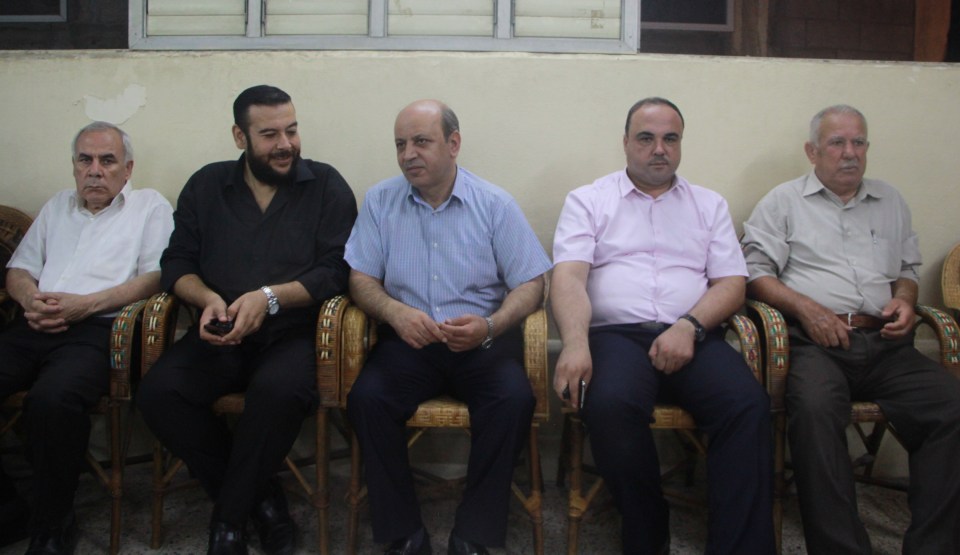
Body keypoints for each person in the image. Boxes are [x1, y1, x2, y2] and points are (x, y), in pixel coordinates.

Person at [135, 85, 357, 555]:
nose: (285, 144)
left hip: (294, 335)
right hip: (220, 331)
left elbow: (337, 271)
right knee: (159, 394)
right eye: (269, 134)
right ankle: (265, 500)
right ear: (240, 137)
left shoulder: (326, 186)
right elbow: (177, 262)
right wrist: (207, 299)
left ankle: (228, 522)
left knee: (278, 392)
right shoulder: (207, 185)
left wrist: (270, 298)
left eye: (291, 130)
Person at [551, 97, 774, 555]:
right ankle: (648, 532)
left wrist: (689, 326)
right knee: (610, 405)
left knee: (747, 406)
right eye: (646, 138)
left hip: (693, 333)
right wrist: (574, 343)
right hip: (616, 337)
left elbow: (732, 283)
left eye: (670, 138)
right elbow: (569, 277)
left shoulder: (708, 204)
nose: (659, 149)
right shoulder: (589, 200)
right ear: (625, 142)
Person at [743, 104, 960, 554]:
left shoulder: (890, 201)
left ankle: (933, 547)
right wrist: (808, 310)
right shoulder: (783, 202)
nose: (850, 153)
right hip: (815, 344)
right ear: (812, 151)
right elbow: (755, 274)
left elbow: (906, 269)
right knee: (815, 411)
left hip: (886, 343)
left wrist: (905, 300)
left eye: (858, 142)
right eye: (837, 143)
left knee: (953, 407)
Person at [345, 99, 551, 555]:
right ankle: (404, 534)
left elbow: (532, 284)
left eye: (421, 141)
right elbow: (360, 279)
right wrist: (395, 313)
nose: (408, 155)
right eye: (400, 144)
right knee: (367, 399)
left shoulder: (494, 204)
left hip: (481, 344)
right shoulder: (381, 201)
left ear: (453, 143)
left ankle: (473, 534)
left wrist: (492, 324)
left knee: (513, 399)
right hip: (408, 341)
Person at [0, 121, 173, 555]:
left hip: (100, 329)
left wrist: (87, 304)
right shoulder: (58, 206)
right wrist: (30, 300)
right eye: (85, 160)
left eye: (107, 160)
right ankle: (8, 507)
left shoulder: (149, 207)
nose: (95, 170)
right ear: (74, 166)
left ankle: (53, 523)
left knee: (52, 400)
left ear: (127, 168)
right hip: (35, 323)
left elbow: (156, 277)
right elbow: (19, 269)